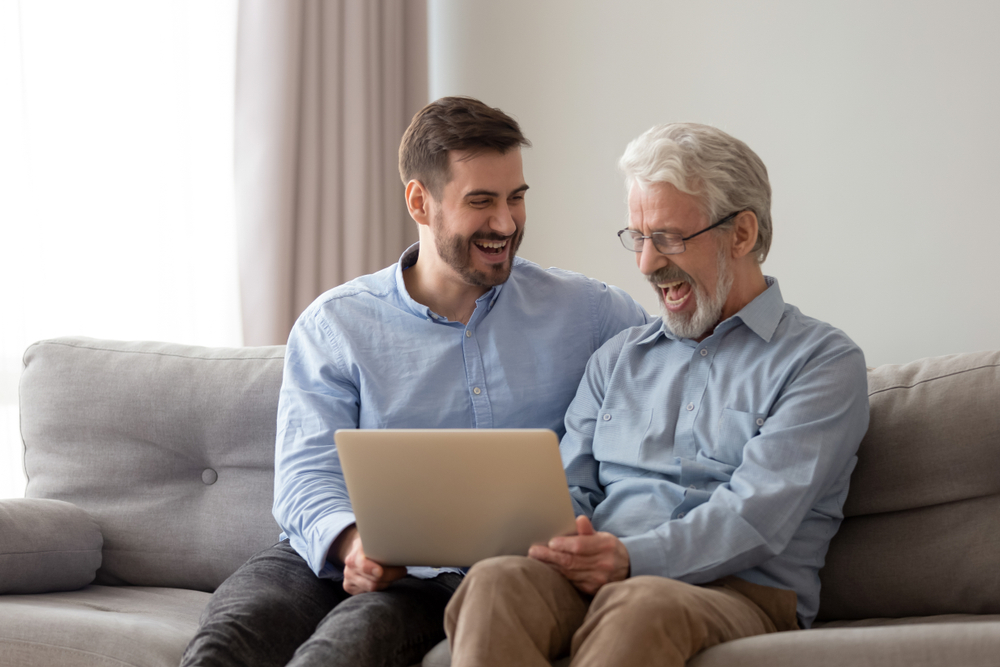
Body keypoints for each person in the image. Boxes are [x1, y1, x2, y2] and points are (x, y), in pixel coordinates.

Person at [180, 96, 648, 667]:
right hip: (329, 554)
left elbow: (680, 372)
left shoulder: (592, 313)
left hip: (455, 579)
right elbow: (306, 477)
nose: (505, 223)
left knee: (342, 650)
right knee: (230, 642)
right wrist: (351, 542)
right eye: (481, 202)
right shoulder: (337, 323)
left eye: (516, 198)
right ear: (419, 201)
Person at [444, 123, 870, 667]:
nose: (645, 264)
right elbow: (568, 490)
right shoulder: (615, 358)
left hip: (737, 592)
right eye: (638, 238)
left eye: (668, 237)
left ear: (741, 234)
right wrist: (558, 540)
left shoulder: (821, 362)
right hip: (596, 580)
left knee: (641, 602)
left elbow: (756, 518)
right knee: (497, 580)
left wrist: (627, 559)